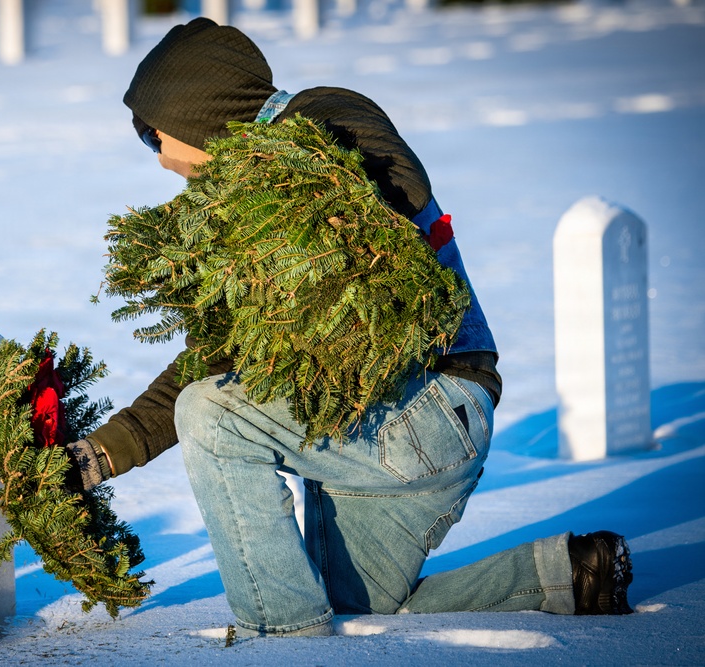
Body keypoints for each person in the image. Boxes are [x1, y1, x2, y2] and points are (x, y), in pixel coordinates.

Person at [65, 17, 634, 636]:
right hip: (386, 426)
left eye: (153, 136)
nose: (160, 159)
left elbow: (390, 186)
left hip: (432, 403)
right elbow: (214, 357)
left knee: (212, 415)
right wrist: (103, 452)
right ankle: (571, 573)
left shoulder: (325, 122)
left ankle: (283, 639)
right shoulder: (241, 211)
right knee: (355, 602)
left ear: (198, 111)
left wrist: (321, 221)